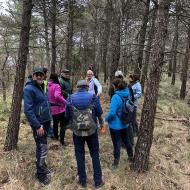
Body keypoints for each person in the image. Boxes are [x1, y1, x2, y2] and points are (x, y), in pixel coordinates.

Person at [66, 80, 104, 188]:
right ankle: (98, 181)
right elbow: (100, 113)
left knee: (79, 154)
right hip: (92, 131)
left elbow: (67, 116)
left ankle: (82, 181)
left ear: (77, 87)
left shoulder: (70, 98)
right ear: (87, 87)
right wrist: (101, 125)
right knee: (95, 154)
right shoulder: (93, 97)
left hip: (77, 132)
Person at [23, 67, 52, 185]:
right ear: (33, 76)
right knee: (42, 148)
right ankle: (41, 175)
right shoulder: (29, 89)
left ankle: (43, 167)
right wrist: (37, 126)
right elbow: (28, 110)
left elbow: (43, 103)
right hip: (39, 124)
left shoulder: (41, 86)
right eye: (37, 75)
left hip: (45, 121)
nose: (39, 77)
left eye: (41, 75)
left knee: (42, 146)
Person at [105, 78, 133, 168]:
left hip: (115, 126)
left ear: (115, 86)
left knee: (116, 143)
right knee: (127, 141)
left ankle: (115, 163)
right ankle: (131, 157)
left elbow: (112, 113)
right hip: (125, 123)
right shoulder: (127, 93)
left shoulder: (115, 97)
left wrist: (106, 119)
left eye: (113, 85)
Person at [48, 73, 67, 146]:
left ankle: (56, 137)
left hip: (52, 109)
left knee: (55, 124)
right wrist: (65, 102)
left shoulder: (48, 85)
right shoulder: (57, 86)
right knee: (63, 125)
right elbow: (57, 96)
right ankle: (62, 141)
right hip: (60, 108)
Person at [43, 67, 54, 138]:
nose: (47, 74)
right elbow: (44, 93)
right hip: (45, 103)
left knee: (49, 118)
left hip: (48, 102)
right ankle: (49, 133)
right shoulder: (43, 82)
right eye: (47, 72)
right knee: (48, 118)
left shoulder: (45, 81)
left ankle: (49, 132)